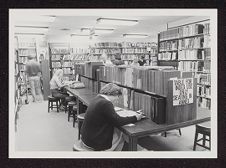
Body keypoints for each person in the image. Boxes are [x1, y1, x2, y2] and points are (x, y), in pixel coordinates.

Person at [81, 83, 143, 151]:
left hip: (87, 138)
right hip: (95, 142)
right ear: (114, 94)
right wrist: (136, 117)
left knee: (118, 132)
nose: (117, 99)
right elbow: (118, 121)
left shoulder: (98, 98)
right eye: (118, 96)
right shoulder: (106, 103)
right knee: (121, 134)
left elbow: (110, 116)